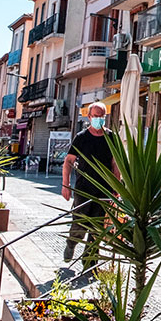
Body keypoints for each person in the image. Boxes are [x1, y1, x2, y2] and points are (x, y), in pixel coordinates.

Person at [61, 102, 119, 264]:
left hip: (104, 190)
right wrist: (65, 185)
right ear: (89, 117)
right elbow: (68, 162)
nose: (98, 120)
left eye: (102, 117)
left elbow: (115, 164)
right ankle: (71, 244)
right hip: (83, 188)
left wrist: (117, 188)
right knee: (80, 223)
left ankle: (90, 261)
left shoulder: (112, 138)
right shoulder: (81, 138)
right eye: (95, 117)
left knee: (97, 227)